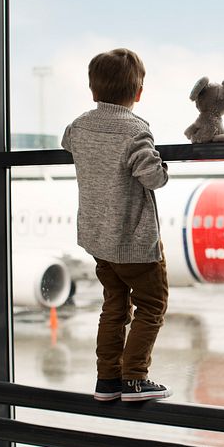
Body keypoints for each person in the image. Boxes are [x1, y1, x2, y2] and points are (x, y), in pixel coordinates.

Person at [61, 48, 171, 402]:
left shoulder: (78, 126)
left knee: (114, 306)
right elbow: (153, 178)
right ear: (138, 93)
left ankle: (107, 380)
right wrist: (161, 165)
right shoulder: (135, 130)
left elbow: (67, 143)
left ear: (93, 90)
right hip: (134, 243)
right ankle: (134, 378)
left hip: (99, 243)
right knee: (151, 306)